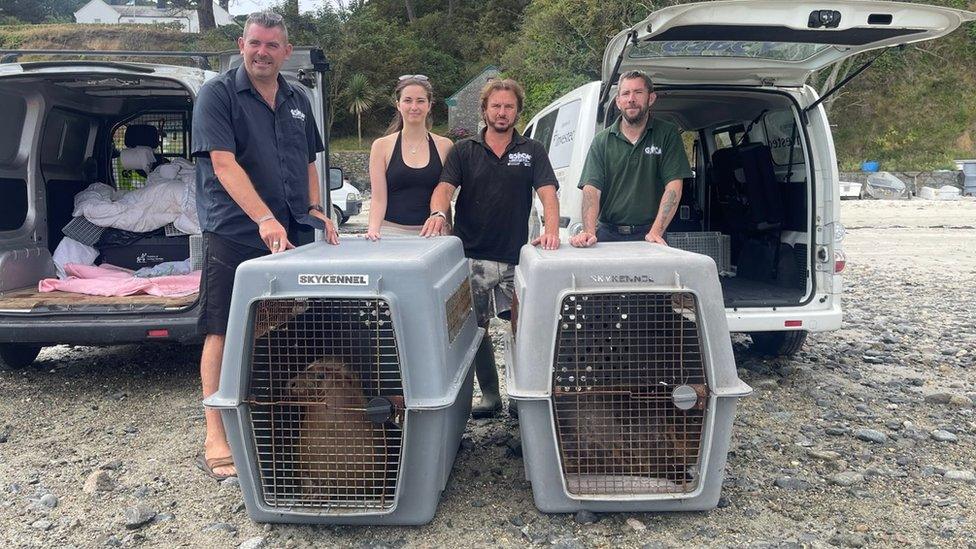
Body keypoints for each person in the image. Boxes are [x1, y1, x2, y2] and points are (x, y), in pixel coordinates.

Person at [191, 11, 339, 480]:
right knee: (223, 329)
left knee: (283, 327)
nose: (262, 52)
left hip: (291, 235)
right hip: (235, 231)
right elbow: (223, 163)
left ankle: (271, 415)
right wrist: (264, 218)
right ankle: (215, 431)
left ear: (285, 51)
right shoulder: (217, 95)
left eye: (273, 46)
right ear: (241, 44)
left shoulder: (297, 98)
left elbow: (309, 160)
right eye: (255, 43)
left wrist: (315, 208)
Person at [420, 78, 560, 418]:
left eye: (508, 106)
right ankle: (491, 395)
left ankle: (522, 398)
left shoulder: (532, 151)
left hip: (517, 259)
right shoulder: (464, 150)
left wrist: (552, 230)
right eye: (495, 106)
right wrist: (439, 212)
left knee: (523, 330)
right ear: (484, 110)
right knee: (474, 332)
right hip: (472, 257)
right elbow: (443, 188)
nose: (502, 112)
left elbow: (547, 193)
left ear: (517, 110)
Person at [569, 70, 692, 248]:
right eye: (625, 93)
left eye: (638, 92)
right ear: (618, 102)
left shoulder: (667, 134)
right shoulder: (602, 141)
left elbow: (673, 186)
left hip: (650, 234)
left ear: (651, 98)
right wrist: (589, 231)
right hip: (607, 234)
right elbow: (591, 190)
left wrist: (656, 232)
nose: (631, 99)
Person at [366, 75, 453, 239]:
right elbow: (378, 199)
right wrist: (373, 231)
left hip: (433, 235)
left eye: (420, 101)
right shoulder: (381, 146)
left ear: (429, 105)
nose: (414, 107)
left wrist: (448, 232)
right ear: (398, 105)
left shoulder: (445, 146)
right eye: (408, 100)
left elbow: (446, 195)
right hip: (391, 234)